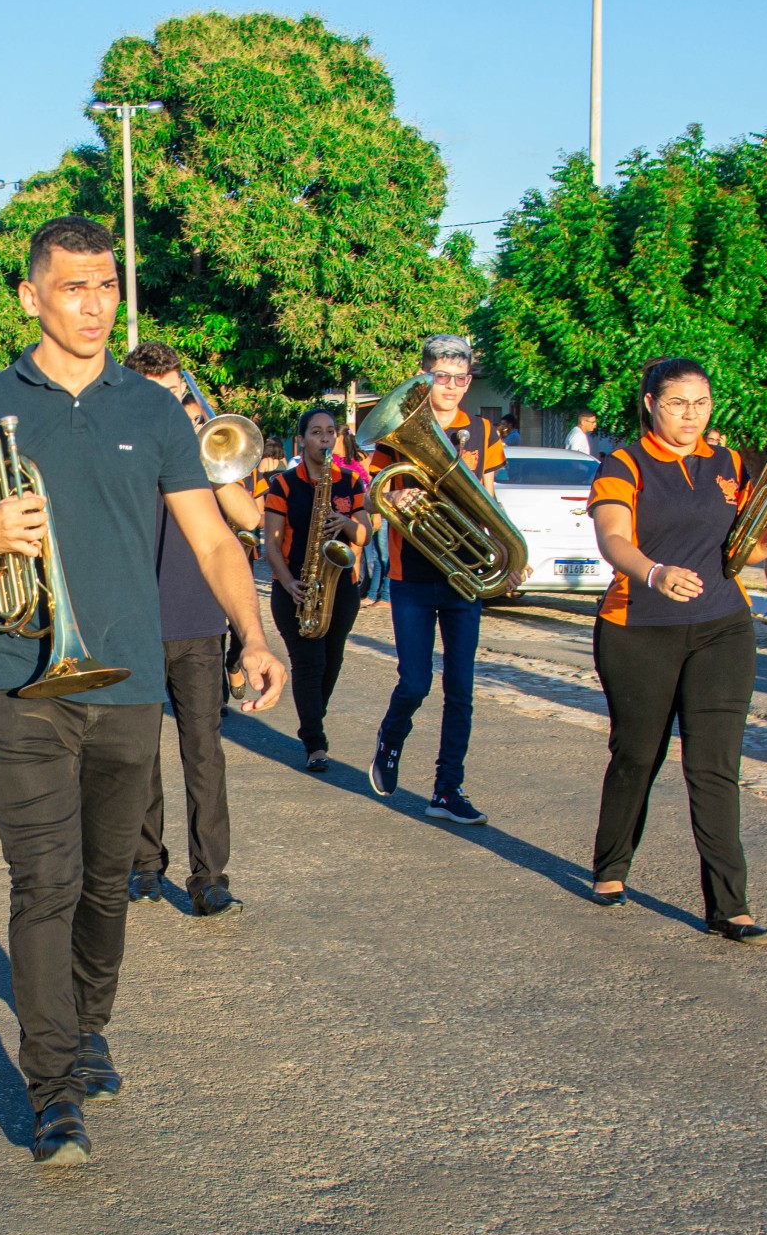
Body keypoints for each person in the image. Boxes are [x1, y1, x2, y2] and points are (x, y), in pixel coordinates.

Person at [0, 216, 286, 1165]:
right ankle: (51, 1088)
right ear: (31, 296)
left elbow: (213, 540)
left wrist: (255, 633)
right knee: (45, 880)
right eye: (74, 286)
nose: (94, 304)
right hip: (17, 677)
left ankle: (88, 1025)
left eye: (107, 285)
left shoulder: (154, 410)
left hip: (128, 678)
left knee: (107, 883)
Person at [583, 355, 767, 943]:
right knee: (637, 755)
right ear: (651, 403)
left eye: (701, 404)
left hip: (722, 626)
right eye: (678, 403)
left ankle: (730, 907)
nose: (691, 415)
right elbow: (612, 538)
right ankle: (611, 866)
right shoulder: (623, 463)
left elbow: (747, 553)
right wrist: (654, 573)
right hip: (638, 627)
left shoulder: (730, 464)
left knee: (714, 766)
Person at [123, 341, 265, 916]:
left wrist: (207, 454)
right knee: (139, 754)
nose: (173, 402)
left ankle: (210, 878)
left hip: (199, 621)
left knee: (204, 753)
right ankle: (144, 865)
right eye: (160, 394)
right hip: (134, 621)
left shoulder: (200, 452)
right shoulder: (123, 448)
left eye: (178, 392)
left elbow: (249, 517)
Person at [366, 334, 503, 824]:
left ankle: (448, 789)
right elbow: (372, 493)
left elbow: (488, 495)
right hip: (413, 572)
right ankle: (391, 736)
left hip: (464, 572)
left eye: (460, 378)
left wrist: (508, 549)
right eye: (440, 376)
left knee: (461, 689)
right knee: (415, 682)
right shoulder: (396, 430)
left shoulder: (482, 431)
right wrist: (390, 499)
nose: (450, 386)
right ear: (423, 377)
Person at [265, 405, 374, 774]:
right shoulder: (283, 484)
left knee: (332, 660)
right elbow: (271, 544)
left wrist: (344, 522)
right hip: (296, 587)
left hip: (340, 586)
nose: (325, 439)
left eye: (330, 432)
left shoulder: (350, 481)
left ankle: (312, 718)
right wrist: (287, 581)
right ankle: (315, 742)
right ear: (302, 439)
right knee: (309, 663)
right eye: (316, 432)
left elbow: (364, 534)